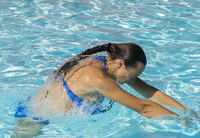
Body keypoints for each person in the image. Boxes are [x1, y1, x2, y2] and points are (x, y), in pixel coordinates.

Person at [15, 42, 189, 122]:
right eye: (132, 75)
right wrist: (180, 120)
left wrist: (184, 110)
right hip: (36, 119)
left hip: (38, 106)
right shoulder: (98, 78)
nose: (133, 80)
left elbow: (148, 91)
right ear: (121, 63)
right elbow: (144, 108)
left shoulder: (107, 63)